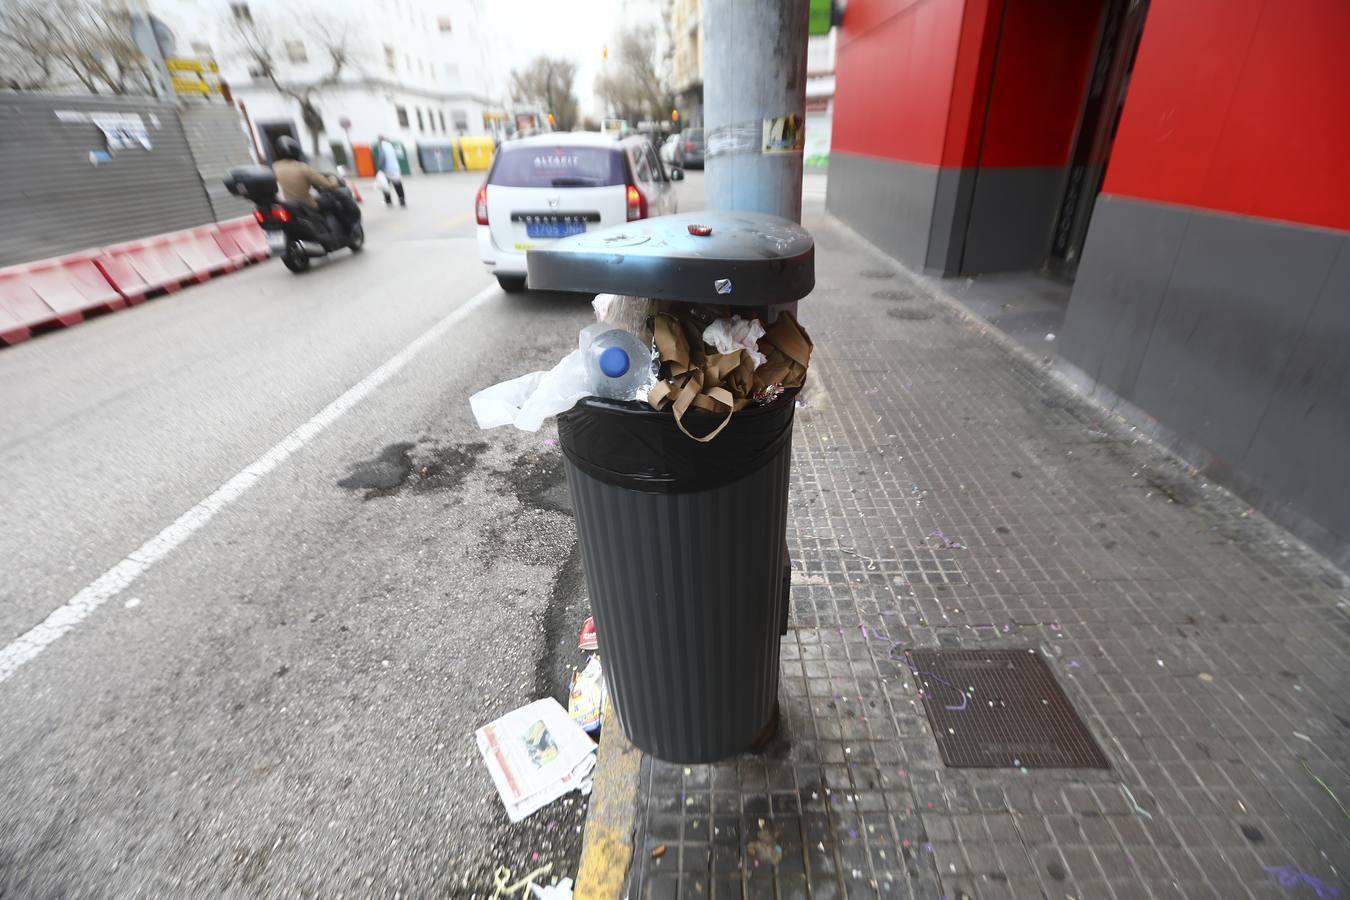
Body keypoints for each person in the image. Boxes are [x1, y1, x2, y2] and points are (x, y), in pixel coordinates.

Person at [376, 135, 406, 207]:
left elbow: (382, 158)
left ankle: (388, 201)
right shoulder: (390, 146)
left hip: (387, 170)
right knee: (398, 184)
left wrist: (380, 168)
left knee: (384, 185)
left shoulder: (382, 147)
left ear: (380, 140)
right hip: (395, 168)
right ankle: (402, 199)